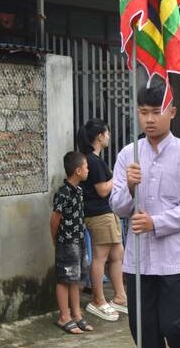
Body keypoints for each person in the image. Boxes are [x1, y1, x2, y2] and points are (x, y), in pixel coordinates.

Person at [110, 83, 180, 347]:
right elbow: (118, 207)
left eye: (156, 111)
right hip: (139, 261)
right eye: (143, 112)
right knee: (143, 330)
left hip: (176, 259)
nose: (149, 119)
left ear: (172, 112)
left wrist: (156, 222)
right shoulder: (128, 155)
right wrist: (130, 187)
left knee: (176, 327)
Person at [77, 119, 127, 322]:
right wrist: (120, 176)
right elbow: (103, 190)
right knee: (101, 256)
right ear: (100, 136)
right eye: (107, 132)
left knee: (117, 254)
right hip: (99, 214)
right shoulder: (94, 161)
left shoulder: (96, 160)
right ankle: (98, 299)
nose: (109, 136)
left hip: (107, 212)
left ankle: (120, 296)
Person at [51, 151, 93, 335]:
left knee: (75, 279)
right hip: (66, 243)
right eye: (85, 167)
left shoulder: (79, 191)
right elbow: (55, 220)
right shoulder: (63, 193)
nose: (88, 170)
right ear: (77, 170)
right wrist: (56, 240)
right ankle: (64, 316)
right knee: (64, 279)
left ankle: (76, 314)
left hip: (79, 240)